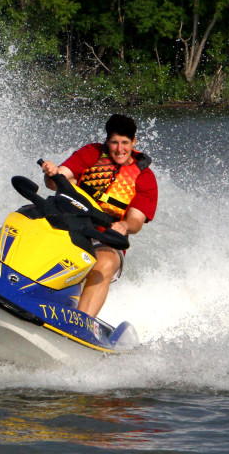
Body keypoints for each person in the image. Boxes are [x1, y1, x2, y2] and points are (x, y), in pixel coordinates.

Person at [40, 114, 158, 317]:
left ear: (134, 142)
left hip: (105, 238)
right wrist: (51, 174)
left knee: (106, 263)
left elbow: (136, 221)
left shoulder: (145, 178)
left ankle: (80, 322)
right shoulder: (91, 153)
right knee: (27, 216)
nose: (119, 149)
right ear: (107, 141)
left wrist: (125, 226)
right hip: (69, 222)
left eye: (124, 143)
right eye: (114, 143)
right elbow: (57, 181)